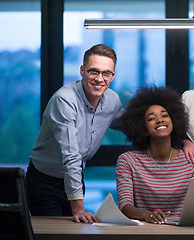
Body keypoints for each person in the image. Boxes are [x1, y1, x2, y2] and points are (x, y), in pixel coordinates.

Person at [26, 44, 123, 223]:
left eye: (106, 73)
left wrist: (180, 139)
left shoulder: (112, 100)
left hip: (76, 178)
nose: (99, 79)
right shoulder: (65, 100)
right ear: (82, 71)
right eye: (94, 71)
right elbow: (70, 156)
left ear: (113, 75)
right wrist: (78, 209)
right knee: (54, 235)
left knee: (76, 231)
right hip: (44, 182)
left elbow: (132, 127)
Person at [116, 86, 194, 224]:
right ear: (143, 129)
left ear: (173, 122)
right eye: (151, 118)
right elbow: (124, 206)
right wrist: (146, 215)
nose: (160, 120)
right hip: (144, 231)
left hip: (184, 232)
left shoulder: (191, 160)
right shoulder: (128, 161)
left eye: (164, 115)